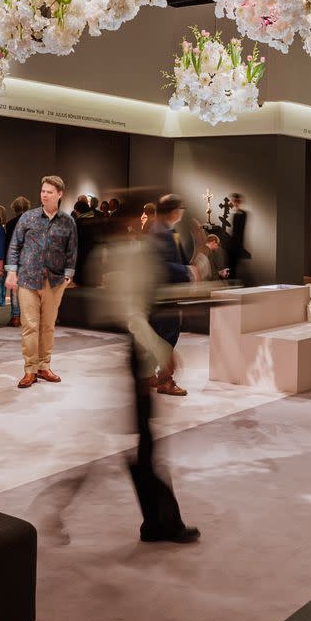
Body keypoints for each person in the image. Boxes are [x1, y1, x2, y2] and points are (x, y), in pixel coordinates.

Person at [100, 194, 200, 543]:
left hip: (139, 348)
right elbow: (133, 315)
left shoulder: (123, 252)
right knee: (146, 444)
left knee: (146, 441)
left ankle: (156, 521)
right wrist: (160, 351)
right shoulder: (133, 253)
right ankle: (161, 522)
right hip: (141, 348)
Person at [5, 176, 77, 388]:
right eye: (43, 191)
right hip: (27, 279)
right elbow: (14, 245)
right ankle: (30, 369)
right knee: (30, 326)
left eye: (49, 192)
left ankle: (44, 366)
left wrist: (68, 273)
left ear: (60, 194)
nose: (44, 194)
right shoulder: (27, 218)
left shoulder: (68, 221)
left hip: (54, 281)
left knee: (48, 326)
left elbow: (71, 250)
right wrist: (11, 270)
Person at [149, 192, 199, 396]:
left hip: (167, 293)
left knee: (162, 334)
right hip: (163, 294)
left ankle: (152, 375)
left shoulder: (167, 230)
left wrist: (189, 268)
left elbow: (179, 258)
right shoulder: (160, 232)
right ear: (174, 211)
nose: (182, 213)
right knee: (167, 335)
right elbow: (159, 265)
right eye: (180, 209)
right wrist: (187, 271)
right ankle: (164, 380)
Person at [4, 196, 31, 326]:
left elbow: (8, 244)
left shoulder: (9, 224)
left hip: (13, 260)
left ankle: (15, 317)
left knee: (14, 290)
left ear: (14, 208)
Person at [225, 193, 249, 280]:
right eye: (233, 201)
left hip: (236, 245)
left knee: (233, 267)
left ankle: (231, 283)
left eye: (235, 201)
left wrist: (238, 245)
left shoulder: (242, 214)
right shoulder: (234, 213)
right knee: (229, 267)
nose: (234, 203)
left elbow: (239, 231)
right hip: (232, 245)